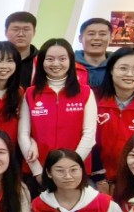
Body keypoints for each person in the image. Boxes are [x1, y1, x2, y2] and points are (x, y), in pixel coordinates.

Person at [20, 38, 97, 182]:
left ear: (71, 61)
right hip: (38, 170)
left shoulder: (85, 92)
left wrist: (70, 168)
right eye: (49, 59)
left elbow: (89, 135)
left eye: (62, 59)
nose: (56, 64)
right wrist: (37, 171)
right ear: (41, 62)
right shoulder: (30, 93)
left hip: (75, 172)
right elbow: (23, 134)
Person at [93, 47, 134, 195]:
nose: (130, 74)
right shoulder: (92, 98)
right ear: (111, 70)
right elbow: (87, 139)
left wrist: (129, 182)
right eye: (123, 68)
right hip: (94, 177)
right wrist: (100, 178)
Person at [3, 11, 39, 86]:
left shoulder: (42, 60)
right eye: (15, 29)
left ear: (34, 32)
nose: (21, 34)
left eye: (26, 29)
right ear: (6, 32)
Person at [76, 17, 113, 88]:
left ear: (111, 38)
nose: (97, 38)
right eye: (91, 34)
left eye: (102, 34)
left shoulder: (119, 66)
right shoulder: (68, 66)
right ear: (80, 38)